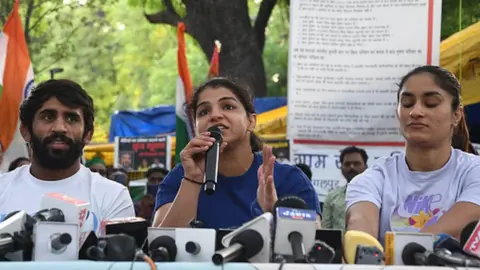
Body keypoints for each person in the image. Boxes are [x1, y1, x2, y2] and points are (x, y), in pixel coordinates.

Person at [153, 78, 320, 228]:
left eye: (228, 106)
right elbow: (159, 247)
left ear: (251, 121)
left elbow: (312, 250)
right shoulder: (179, 178)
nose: (215, 116)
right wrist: (193, 180)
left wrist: (272, 214)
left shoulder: (289, 179)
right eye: (204, 112)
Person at [345, 65, 480, 243]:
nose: (415, 112)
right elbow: (360, 230)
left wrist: (396, 254)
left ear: (456, 115)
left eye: (431, 103)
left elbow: (458, 226)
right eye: (407, 103)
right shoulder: (374, 179)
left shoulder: (474, 172)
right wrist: (361, 247)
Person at [0, 79, 135, 235]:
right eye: (48, 117)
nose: (59, 128)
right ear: (25, 131)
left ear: (88, 134)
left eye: (71, 119)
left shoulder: (112, 197)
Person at [323, 146, 367, 230]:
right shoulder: (331, 197)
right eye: (347, 164)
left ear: (365, 167)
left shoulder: (377, 196)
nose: (351, 167)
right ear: (341, 168)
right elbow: (325, 231)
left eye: (356, 163)